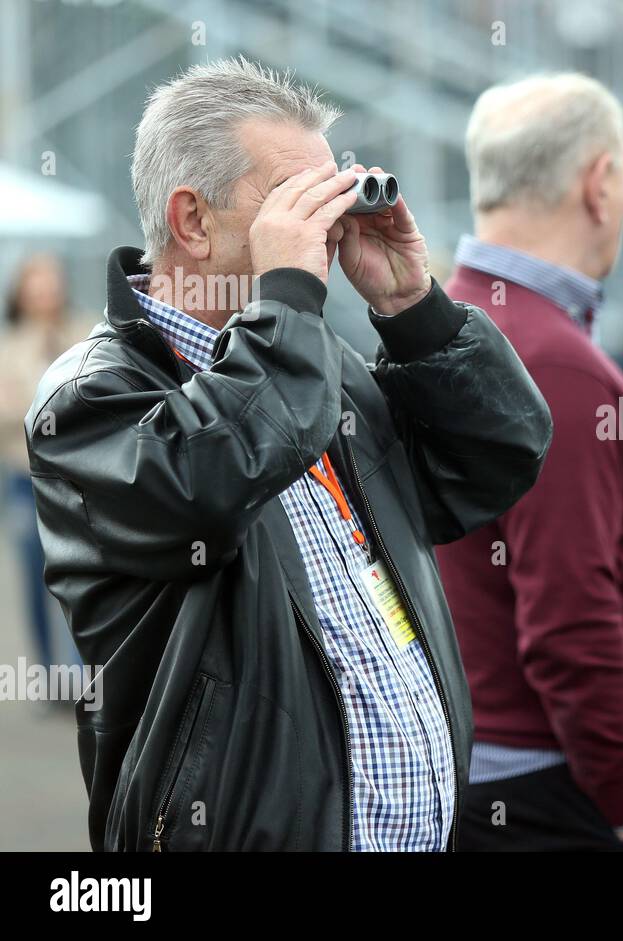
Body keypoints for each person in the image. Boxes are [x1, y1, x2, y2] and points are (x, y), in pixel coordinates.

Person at [24, 58, 551, 852]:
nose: (328, 225)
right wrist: (292, 303)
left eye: (329, 195)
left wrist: (413, 308)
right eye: (294, 202)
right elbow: (213, 474)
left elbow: (497, 457)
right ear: (193, 221)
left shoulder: (314, 360)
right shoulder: (91, 399)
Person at [437, 73, 623, 851]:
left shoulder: (462, 322)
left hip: (516, 773)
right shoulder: (551, 361)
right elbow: (564, 623)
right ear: (600, 183)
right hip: (566, 790)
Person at [0, 255, 89, 672]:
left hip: (78, 481)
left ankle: (79, 669)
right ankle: (45, 674)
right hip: (25, 479)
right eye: (34, 282)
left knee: (82, 576)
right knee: (34, 574)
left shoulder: (84, 332)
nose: (43, 290)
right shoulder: (8, 345)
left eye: (49, 280)